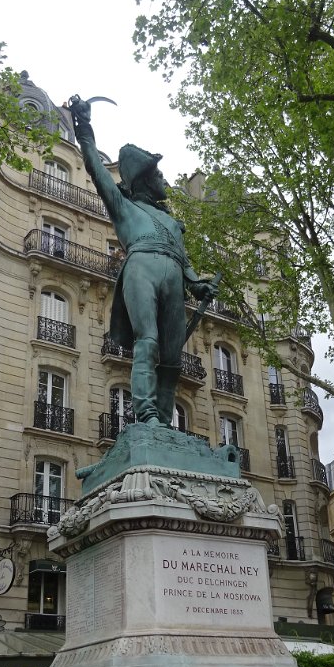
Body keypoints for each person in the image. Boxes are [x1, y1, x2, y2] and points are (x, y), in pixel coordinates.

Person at [69, 95, 217, 427]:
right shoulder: (123, 207)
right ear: (146, 179)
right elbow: (95, 168)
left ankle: (162, 424)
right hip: (141, 269)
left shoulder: (172, 222)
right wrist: (84, 125)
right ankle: (146, 411)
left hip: (174, 276)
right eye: (159, 174)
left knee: (172, 358)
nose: (164, 180)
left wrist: (197, 284)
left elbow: (184, 260)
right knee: (147, 342)